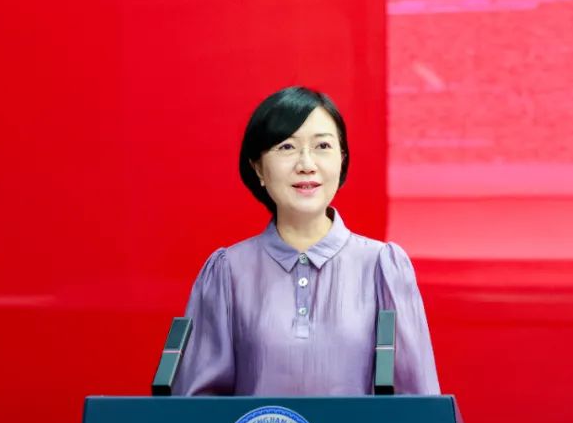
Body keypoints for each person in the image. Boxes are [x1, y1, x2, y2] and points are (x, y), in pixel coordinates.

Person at [173, 86, 439, 396]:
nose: (306, 164)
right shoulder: (226, 272)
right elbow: (197, 406)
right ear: (258, 167)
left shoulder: (383, 267)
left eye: (322, 146)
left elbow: (418, 404)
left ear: (341, 160)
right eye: (287, 147)